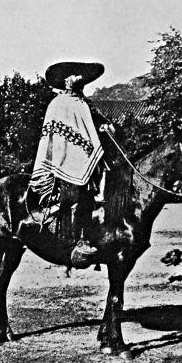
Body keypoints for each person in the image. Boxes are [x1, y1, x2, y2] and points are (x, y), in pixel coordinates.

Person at [29, 62, 114, 266]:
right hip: (63, 159)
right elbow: (55, 136)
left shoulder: (85, 104)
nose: (77, 80)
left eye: (79, 77)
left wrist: (105, 126)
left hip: (85, 160)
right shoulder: (58, 104)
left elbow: (94, 123)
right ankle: (75, 240)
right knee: (77, 193)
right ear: (65, 82)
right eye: (73, 77)